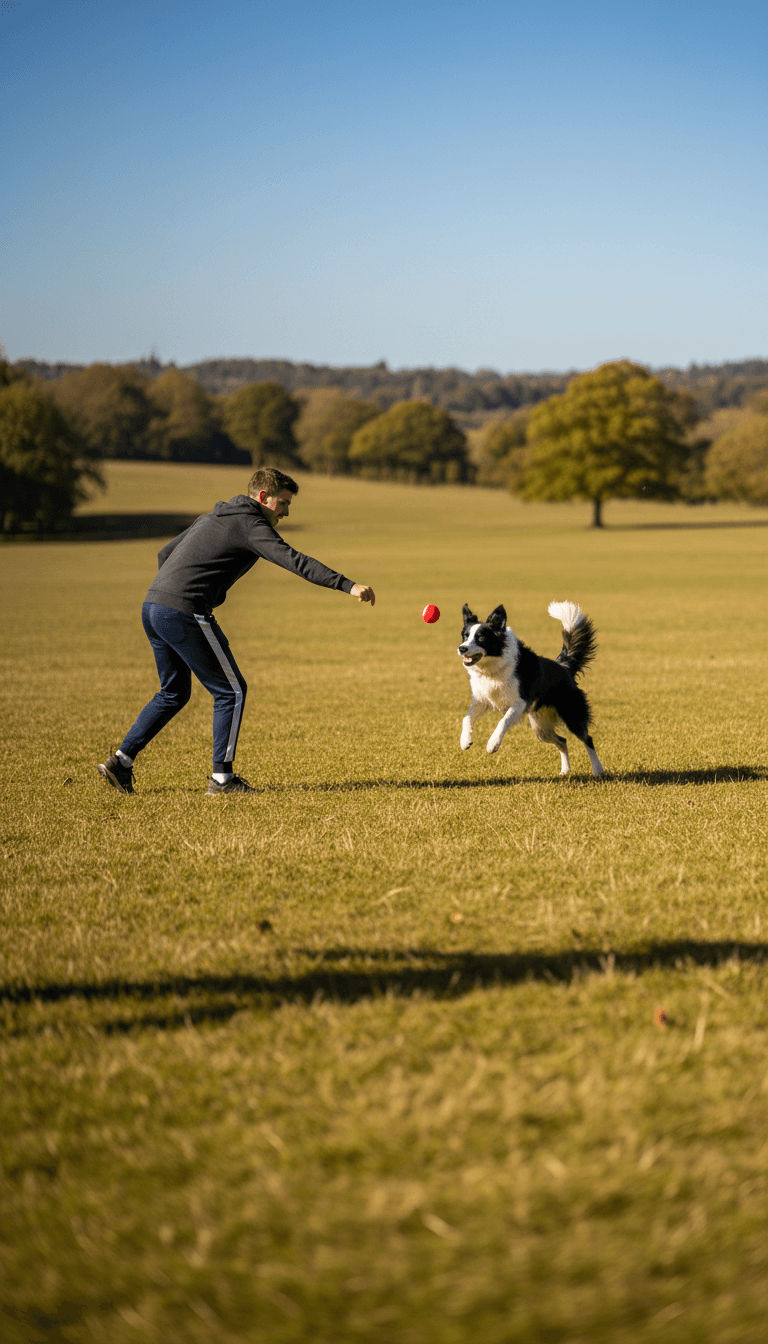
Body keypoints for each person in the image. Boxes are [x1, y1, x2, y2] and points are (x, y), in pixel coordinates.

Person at [97, 467, 375, 796]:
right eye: (283, 503)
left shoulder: (212, 517)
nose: (286, 511)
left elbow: (165, 554)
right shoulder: (250, 524)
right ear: (262, 497)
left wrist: (175, 589)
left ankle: (121, 762)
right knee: (232, 691)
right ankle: (222, 780)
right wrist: (348, 585)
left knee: (174, 693)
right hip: (183, 611)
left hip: (153, 606)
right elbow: (293, 559)